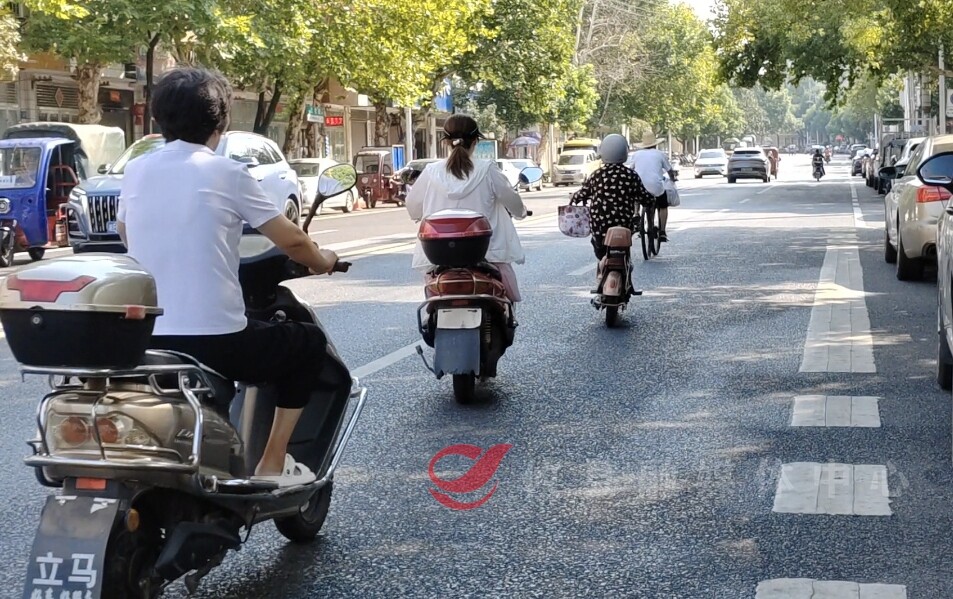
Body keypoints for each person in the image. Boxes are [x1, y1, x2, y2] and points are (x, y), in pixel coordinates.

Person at [117, 67, 340, 487]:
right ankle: (273, 461)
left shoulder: (136, 171)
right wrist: (323, 260)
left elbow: (128, 234)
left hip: (145, 340)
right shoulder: (226, 172)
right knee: (307, 344)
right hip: (217, 343)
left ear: (159, 119)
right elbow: (292, 240)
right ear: (222, 120)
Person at [406, 114, 527, 302]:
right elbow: (511, 199)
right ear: (476, 140)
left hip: (438, 254)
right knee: (506, 295)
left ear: (446, 142)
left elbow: (412, 205)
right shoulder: (487, 169)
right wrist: (521, 212)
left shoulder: (431, 171)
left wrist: (419, 215)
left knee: (432, 292)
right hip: (487, 252)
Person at [570, 134, 654, 289]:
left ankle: (603, 264)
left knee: (599, 247)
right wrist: (651, 201)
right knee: (624, 249)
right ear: (624, 153)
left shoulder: (597, 175)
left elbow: (581, 194)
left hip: (599, 226)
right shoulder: (630, 175)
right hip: (623, 225)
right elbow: (645, 197)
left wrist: (574, 199)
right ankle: (625, 274)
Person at [628, 131, 675, 242]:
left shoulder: (636, 154)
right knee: (663, 205)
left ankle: (636, 213)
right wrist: (673, 179)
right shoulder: (659, 154)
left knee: (636, 195)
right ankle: (662, 231)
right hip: (656, 187)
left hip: (639, 187)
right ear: (655, 144)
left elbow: (631, 170)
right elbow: (670, 170)